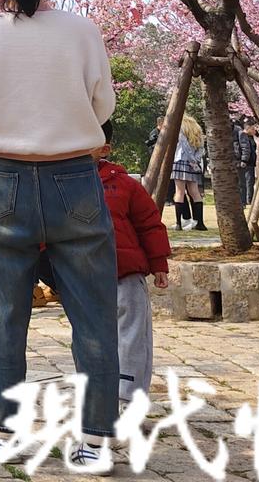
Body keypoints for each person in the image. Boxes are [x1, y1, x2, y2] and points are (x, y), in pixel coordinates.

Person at [0, 0, 118, 470]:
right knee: (94, 318)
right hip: (74, 175)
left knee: (5, 316)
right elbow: (103, 104)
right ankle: (95, 439)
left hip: (3, 178)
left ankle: (5, 431)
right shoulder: (81, 30)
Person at [94, 120, 170, 404]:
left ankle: (129, 398)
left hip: (126, 274)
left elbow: (150, 224)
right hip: (86, 278)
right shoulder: (62, 185)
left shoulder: (125, 186)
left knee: (133, 337)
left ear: (104, 149)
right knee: (95, 339)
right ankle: (100, 394)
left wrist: (159, 263)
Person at [172, 115, 206, 231]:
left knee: (179, 192)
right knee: (195, 192)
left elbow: (184, 146)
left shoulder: (181, 130)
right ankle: (200, 223)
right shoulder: (198, 131)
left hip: (181, 161)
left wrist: (191, 159)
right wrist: (195, 161)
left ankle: (178, 223)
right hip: (194, 165)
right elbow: (201, 148)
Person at [234, 120, 259, 208]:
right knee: (244, 182)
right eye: (252, 129)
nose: (254, 131)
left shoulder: (251, 137)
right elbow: (244, 148)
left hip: (248, 163)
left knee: (247, 182)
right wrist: (244, 160)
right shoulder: (241, 134)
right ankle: (245, 200)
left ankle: (247, 200)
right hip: (244, 162)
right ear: (247, 128)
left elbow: (247, 148)